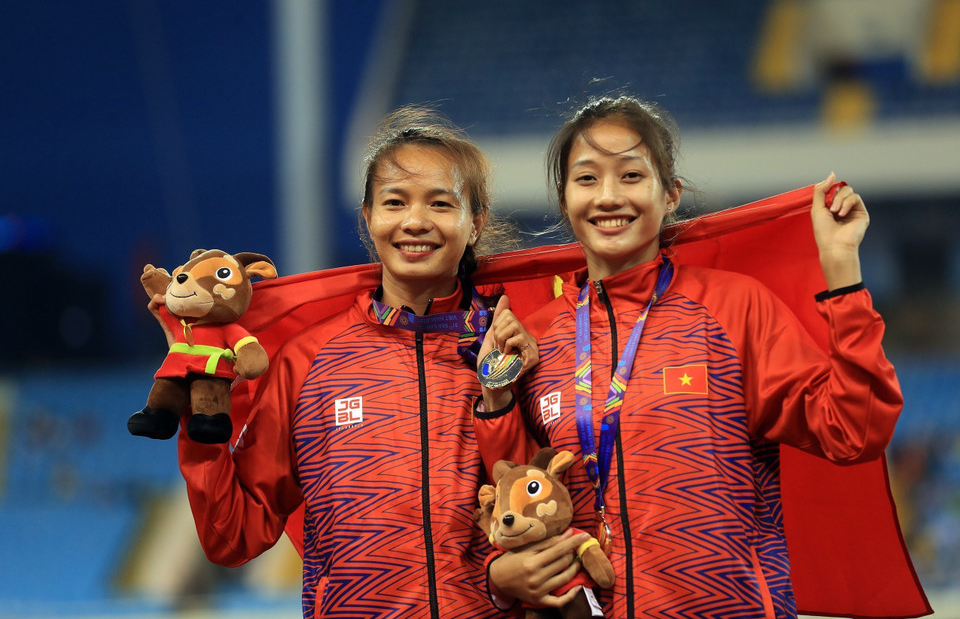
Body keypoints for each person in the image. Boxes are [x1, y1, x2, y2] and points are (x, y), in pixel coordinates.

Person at [474, 96, 904, 618]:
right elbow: (511, 485)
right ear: (564, 201)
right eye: (587, 179)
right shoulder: (536, 335)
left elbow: (852, 432)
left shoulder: (732, 307)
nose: (608, 196)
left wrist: (841, 269)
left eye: (631, 176)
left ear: (670, 194)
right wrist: (495, 396)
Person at [174, 106, 529, 619]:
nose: (415, 221)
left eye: (440, 203)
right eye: (394, 202)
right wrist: (200, 425)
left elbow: (549, 504)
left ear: (476, 222)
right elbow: (233, 536)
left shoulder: (512, 350)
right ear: (367, 217)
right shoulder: (307, 360)